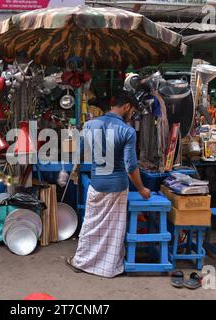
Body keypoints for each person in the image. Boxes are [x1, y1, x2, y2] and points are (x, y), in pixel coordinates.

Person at [66, 90, 151, 278]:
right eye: (132, 112)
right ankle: (108, 267)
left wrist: (72, 173)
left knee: (90, 226)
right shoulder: (127, 131)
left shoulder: (89, 125)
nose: (132, 116)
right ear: (127, 107)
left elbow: (78, 154)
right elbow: (130, 166)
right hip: (118, 187)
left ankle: (81, 262)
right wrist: (142, 188)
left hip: (97, 184)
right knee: (114, 231)